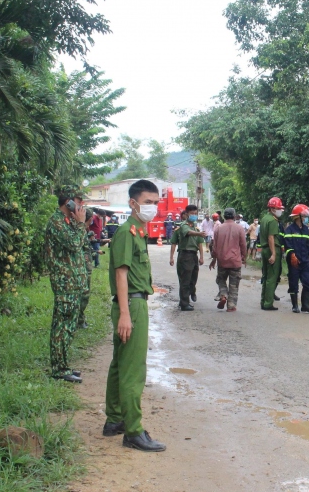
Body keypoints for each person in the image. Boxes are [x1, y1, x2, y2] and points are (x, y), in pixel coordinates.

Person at [104, 179, 166, 453]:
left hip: (130, 303)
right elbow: (121, 273)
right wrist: (126, 314)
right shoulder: (127, 233)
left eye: (156, 203)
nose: (153, 207)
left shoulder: (137, 231)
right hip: (132, 305)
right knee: (133, 369)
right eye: (148, 202)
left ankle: (115, 419)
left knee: (120, 364)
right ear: (133, 203)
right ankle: (133, 431)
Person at [43, 185, 88, 383]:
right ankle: (59, 369)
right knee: (62, 325)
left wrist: (78, 223)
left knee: (69, 325)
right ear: (68, 202)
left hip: (73, 282)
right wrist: (80, 223)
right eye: (79, 202)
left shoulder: (68, 221)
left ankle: (63, 365)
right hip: (64, 282)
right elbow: (74, 244)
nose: (81, 206)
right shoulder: (57, 223)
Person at [209, 208, 247, 312]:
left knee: (221, 280)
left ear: (224, 216)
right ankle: (231, 306)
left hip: (222, 261)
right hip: (235, 261)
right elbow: (243, 244)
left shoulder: (218, 228)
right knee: (234, 284)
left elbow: (214, 246)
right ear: (234, 216)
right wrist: (244, 257)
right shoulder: (239, 228)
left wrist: (214, 259)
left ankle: (223, 294)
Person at [170, 204, 205, 311]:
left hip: (194, 255)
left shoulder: (195, 227)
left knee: (193, 278)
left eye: (195, 213)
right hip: (185, 255)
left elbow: (200, 245)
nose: (194, 215)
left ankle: (191, 292)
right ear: (186, 214)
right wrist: (171, 257)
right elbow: (187, 233)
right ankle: (184, 303)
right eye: (192, 214)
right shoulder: (183, 226)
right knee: (185, 280)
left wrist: (201, 257)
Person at [283, 204, 309, 314]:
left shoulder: (306, 230)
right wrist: (291, 255)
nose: (306, 218)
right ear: (298, 216)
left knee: (307, 283)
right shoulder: (289, 230)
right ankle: (295, 305)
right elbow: (287, 245)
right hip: (294, 261)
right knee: (293, 283)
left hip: (305, 261)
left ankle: (305, 306)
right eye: (304, 216)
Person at [259, 197, 285, 311]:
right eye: (278, 208)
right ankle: (268, 303)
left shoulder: (264, 219)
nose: (280, 210)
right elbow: (271, 238)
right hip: (272, 249)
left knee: (265, 276)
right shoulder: (273, 221)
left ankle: (263, 301)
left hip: (264, 249)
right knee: (272, 277)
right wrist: (274, 254)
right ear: (272, 209)